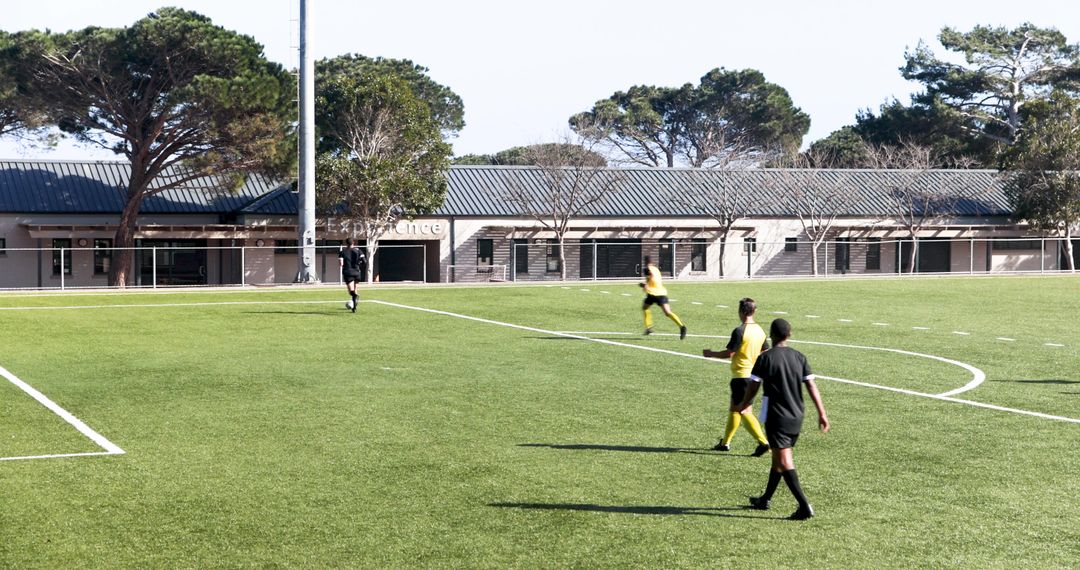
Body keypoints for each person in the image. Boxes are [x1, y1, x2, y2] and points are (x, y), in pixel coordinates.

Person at [740, 318, 829, 520]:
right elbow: (811, 386)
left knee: (784, 460)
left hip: (777, 416)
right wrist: (822, 413)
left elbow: (753, 385)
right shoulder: (799, 357)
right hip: (797, 415)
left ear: (770, 335)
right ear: (789, 334)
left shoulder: (766, 358)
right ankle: (765, 500)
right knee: (777, 459)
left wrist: (746, 403)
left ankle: (804, 506)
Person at [703, 298, 771, 456]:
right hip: (753, 376)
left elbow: (730, 353)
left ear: (740, 311)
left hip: (741, 376)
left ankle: (763, 442)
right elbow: (765, 352)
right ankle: (725, 443)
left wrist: (711, 353)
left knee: (744, 411)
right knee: (735, 409)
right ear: (754, 311)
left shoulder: (740, 331)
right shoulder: (760, 330)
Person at [639, 256, 687, 340]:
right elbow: (653, 278)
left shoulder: (647, 269)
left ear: (645, 261)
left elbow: (650, 276)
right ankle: (681, 326)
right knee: (665, 312)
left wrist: (644, 285)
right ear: (652, 261)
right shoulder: (656, 269)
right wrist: (646, 284)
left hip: (654, 293)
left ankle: (649, 327)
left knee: (647, 308)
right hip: (660, 292)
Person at [338, 238, 366, 313]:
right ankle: (354, 308)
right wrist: (358, 264)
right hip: (357, 272)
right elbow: (364, 262)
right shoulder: (358, 251)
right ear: (353, 243)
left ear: (346, 243)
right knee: (355, 288)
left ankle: (355, 298)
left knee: (351, 292)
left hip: (348, 272)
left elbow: (341, 264)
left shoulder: (342, 252)